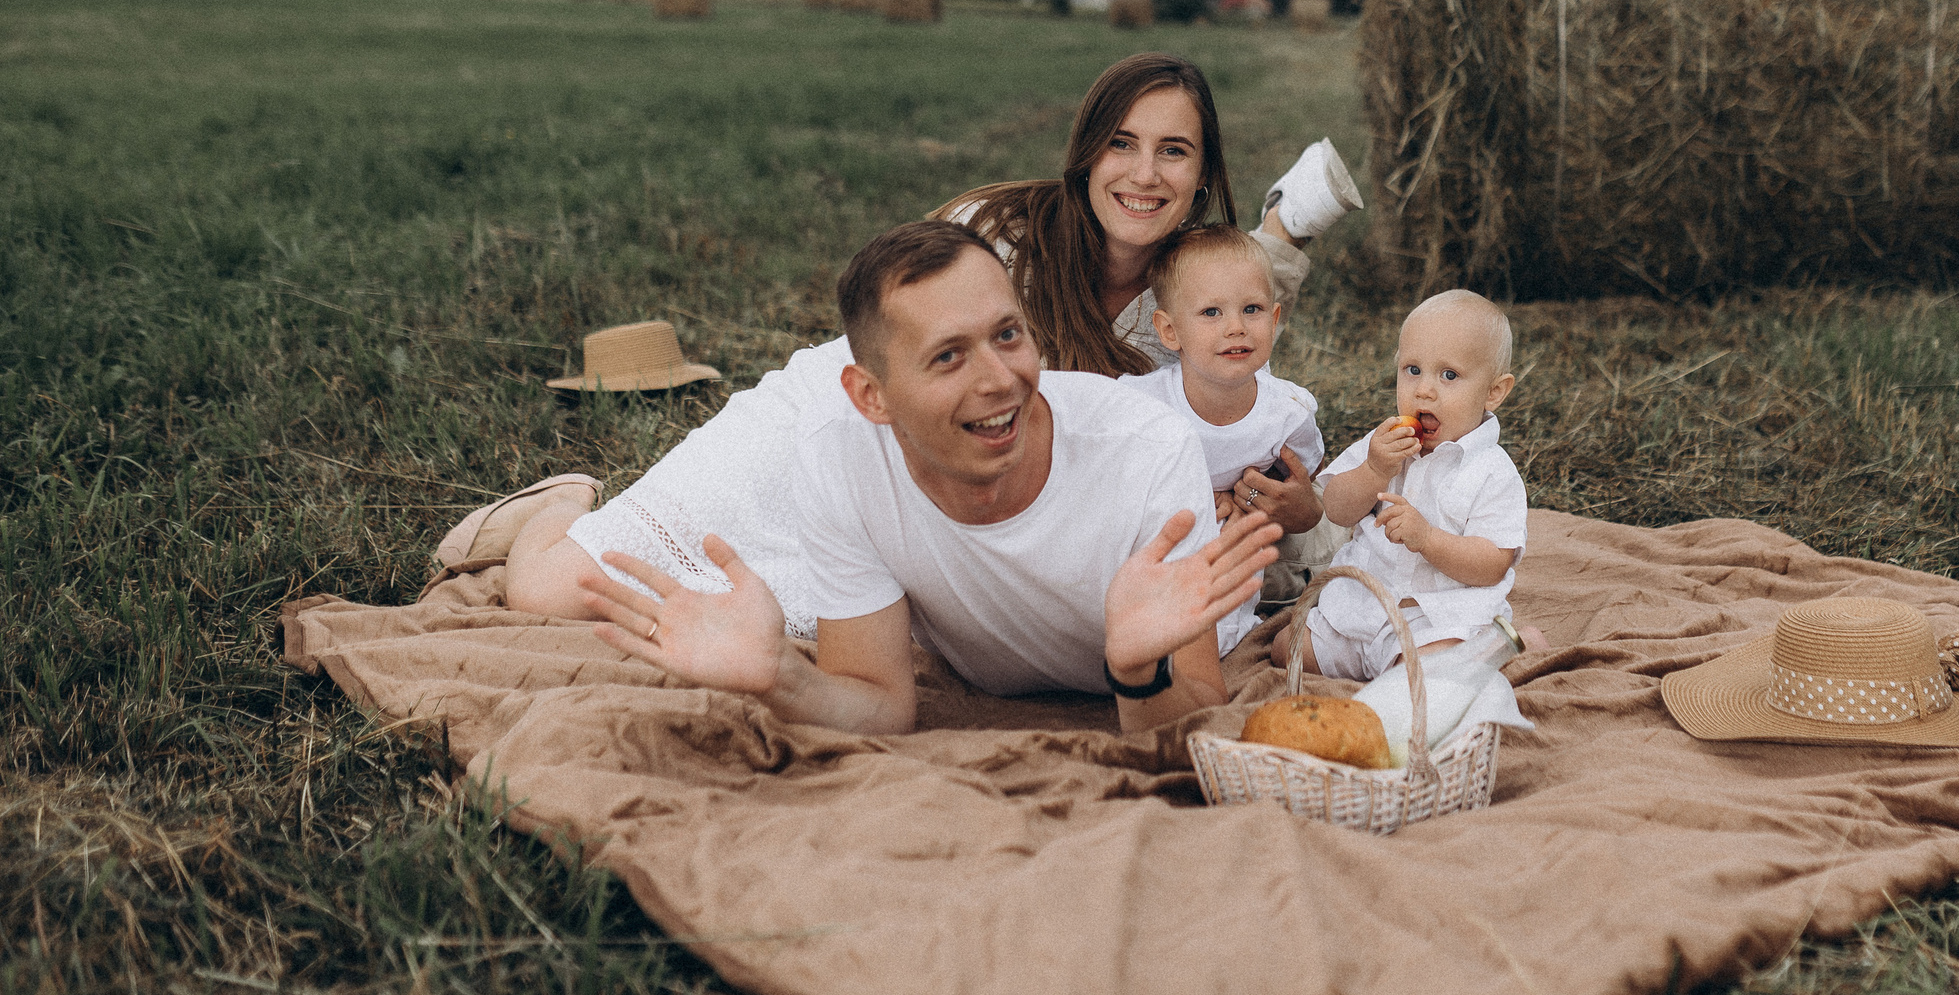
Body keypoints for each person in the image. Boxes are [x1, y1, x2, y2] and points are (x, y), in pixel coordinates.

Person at [443, 52, 1359, 640]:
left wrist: (1281, 504)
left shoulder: (1199, 310)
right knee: (559, 593)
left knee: (786, 623)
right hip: (860, 418)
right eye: (1123, 144)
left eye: (1174, 152)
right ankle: (562, 506)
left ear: (1203, 178)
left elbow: (1227, 464)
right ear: (1087, 155)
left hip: (981, 496)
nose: (1145, 173)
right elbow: (897, 339)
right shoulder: (993, 229)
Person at [576, 222, 1281, 731]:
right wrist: (781, 676)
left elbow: (1195, 716)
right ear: (870, 397)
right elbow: (880, 702)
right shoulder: (841, 455)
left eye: (1008, 334)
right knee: (552, 580)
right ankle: (559, 500)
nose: (1001, 380)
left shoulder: (1146, 452)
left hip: (1122, 668)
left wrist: (1139, 671)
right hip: (815, 422)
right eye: (950, 357)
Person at [1274, 289, 1528, 683]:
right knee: (1285, 650)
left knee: (1420, 677)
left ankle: (1506, 646)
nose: (1424, 390)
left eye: (1449, 375)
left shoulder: (1492, 472)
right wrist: (1373, 469)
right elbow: (1337, 508)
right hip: (1360, 611)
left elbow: (1493, 564)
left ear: (1494, 392)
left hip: (1434, 621)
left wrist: (1428, 538)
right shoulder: (1384, 445)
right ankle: (1381, 665)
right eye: (1412, 370)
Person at [1122, 225, 1325, 537]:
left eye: (1251, 309)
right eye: (1211, 311)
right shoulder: (1141, 404)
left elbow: (1303, 481)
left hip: (1240, 559)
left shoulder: (1289, 414)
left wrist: (1241, 498)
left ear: (1273, 321)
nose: (1235, 327)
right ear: (1170, 331)